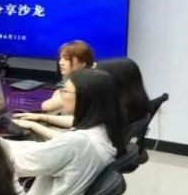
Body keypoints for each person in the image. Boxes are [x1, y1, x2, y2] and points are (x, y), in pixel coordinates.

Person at [6, 68, 125, 195]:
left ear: (85, 98)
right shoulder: (102, 130)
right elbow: (40, 151)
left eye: (65, 91)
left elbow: (21, 163)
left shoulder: (79, 142)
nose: (61, 95)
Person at [15, 55, 151, 140]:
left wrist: (33, 125)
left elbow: (70, 142)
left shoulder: (114, 113)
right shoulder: (131, 106)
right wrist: (43, 117)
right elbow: (83, 121)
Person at [39, 40, 95, 113]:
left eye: (66, 59)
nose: (60, 63)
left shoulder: (84, 85)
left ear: (82, 63)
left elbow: (46, 106)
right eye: (60, 58)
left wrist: (60, 94)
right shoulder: (87, 78)